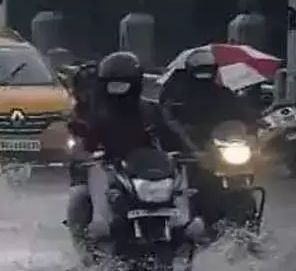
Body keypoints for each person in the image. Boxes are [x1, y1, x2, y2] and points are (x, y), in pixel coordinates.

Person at [154, 46, 258, 239]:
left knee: (241, 180)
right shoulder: (176, 95)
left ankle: (247, 232)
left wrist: (252, 130)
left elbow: (244, 116)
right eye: (200, 69)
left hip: (218, 149)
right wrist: (179, 137)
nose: (204, 74)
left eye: (208, 69)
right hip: (186, 151)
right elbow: (165, 120)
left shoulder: (224, 94)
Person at [65, 51, 161, 241]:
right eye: (113, 84)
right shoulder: (97, 113)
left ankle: (186, 226)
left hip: (146, 174)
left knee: (183, 190)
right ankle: (87, 246)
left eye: (124, 84)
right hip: (112, 171)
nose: (119, 90)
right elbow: (85, 143)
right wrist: (84, 153)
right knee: (79, 196)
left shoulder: (151, 110)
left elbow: (170, 137)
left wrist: (187, 152)